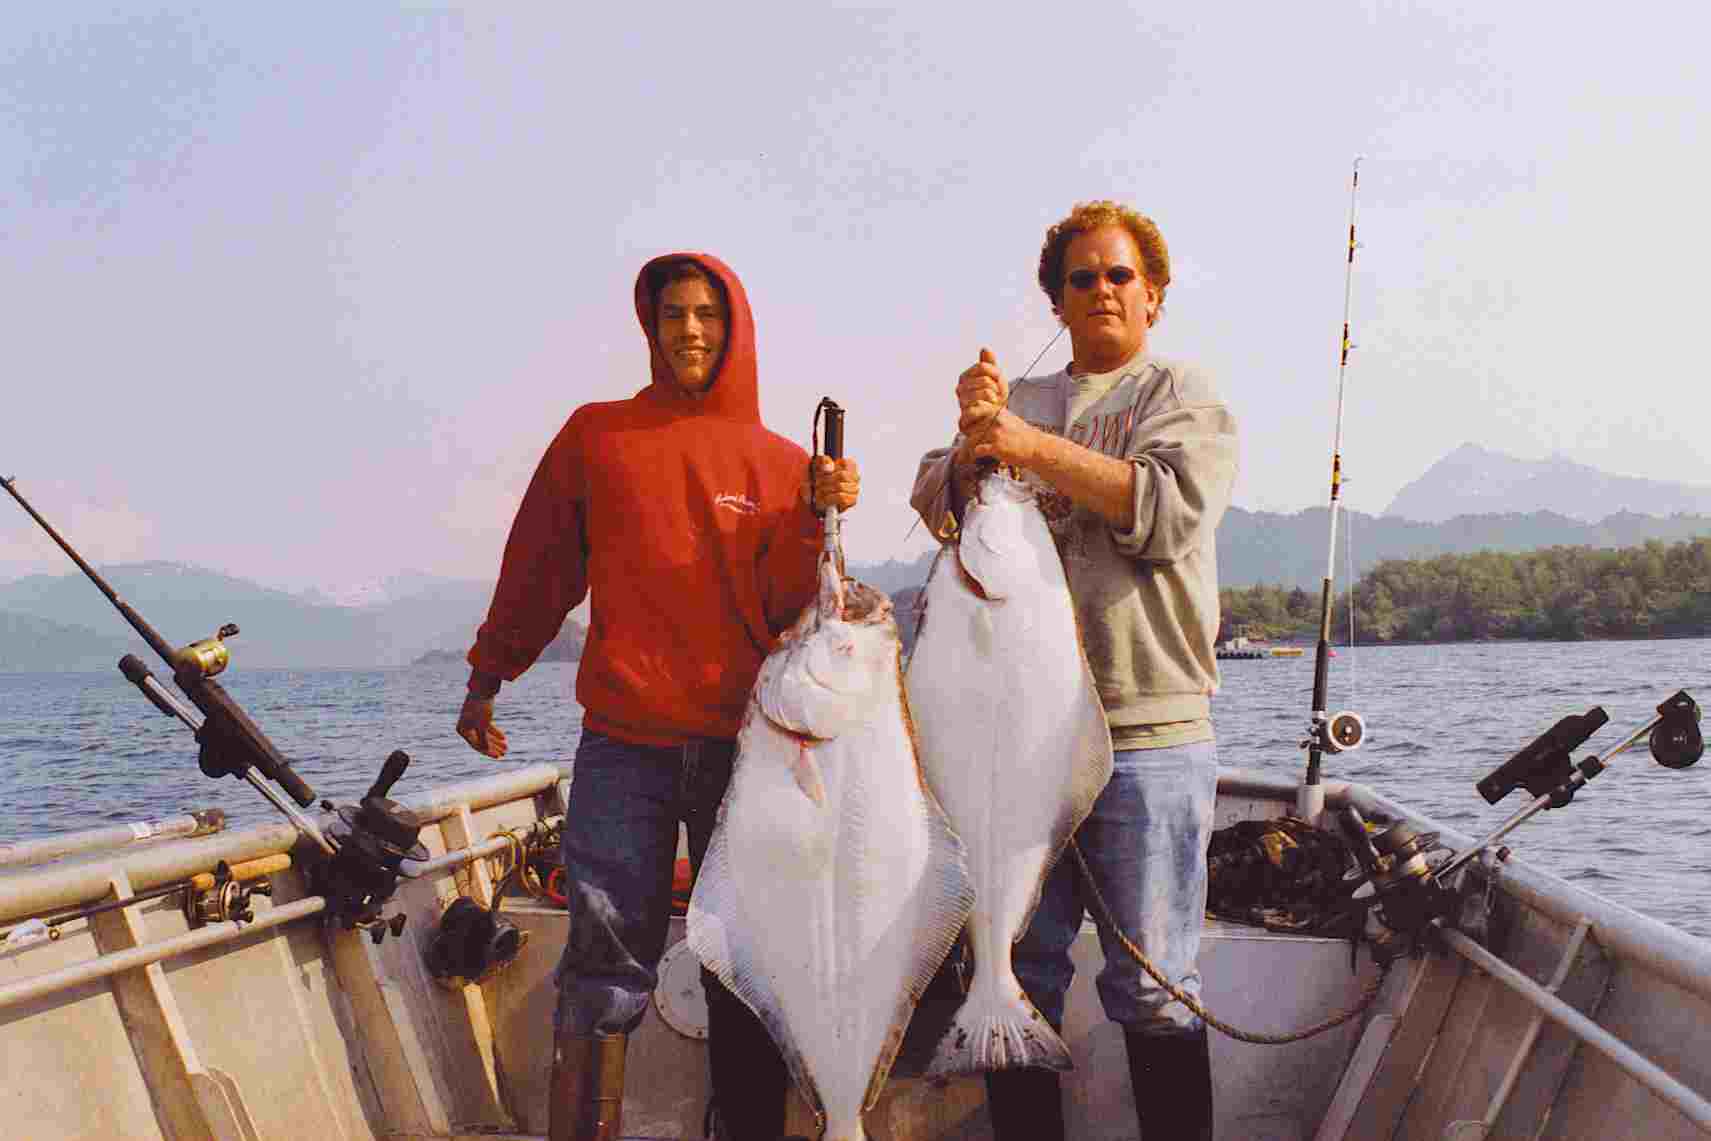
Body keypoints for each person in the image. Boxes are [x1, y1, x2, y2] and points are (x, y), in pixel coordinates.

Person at [456, 252, 860, 1141]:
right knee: (601, 959)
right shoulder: (597, 436)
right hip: (623, 743)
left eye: (707, 314)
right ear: (650, 326)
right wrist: (487, 676)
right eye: (673, 314)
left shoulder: (781, 462)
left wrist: (813, 514)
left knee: (744, 963)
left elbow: (787, 609)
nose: (689, 330)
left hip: (748, 752)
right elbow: (537, 569)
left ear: (734, 327)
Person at [911, 201, 1238, 1141]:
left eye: (1118, 275)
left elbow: (1167, 511)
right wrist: (975, 437)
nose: (1101, 290)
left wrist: (1024, 447)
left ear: (1153, 294)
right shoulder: (1019, 403)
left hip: (1149, 734)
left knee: (1156, 983)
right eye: (1080, 278)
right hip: (1016, 742)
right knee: (1021, 968)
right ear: (1055, 301)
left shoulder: (1183, 394)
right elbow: (934, 498)